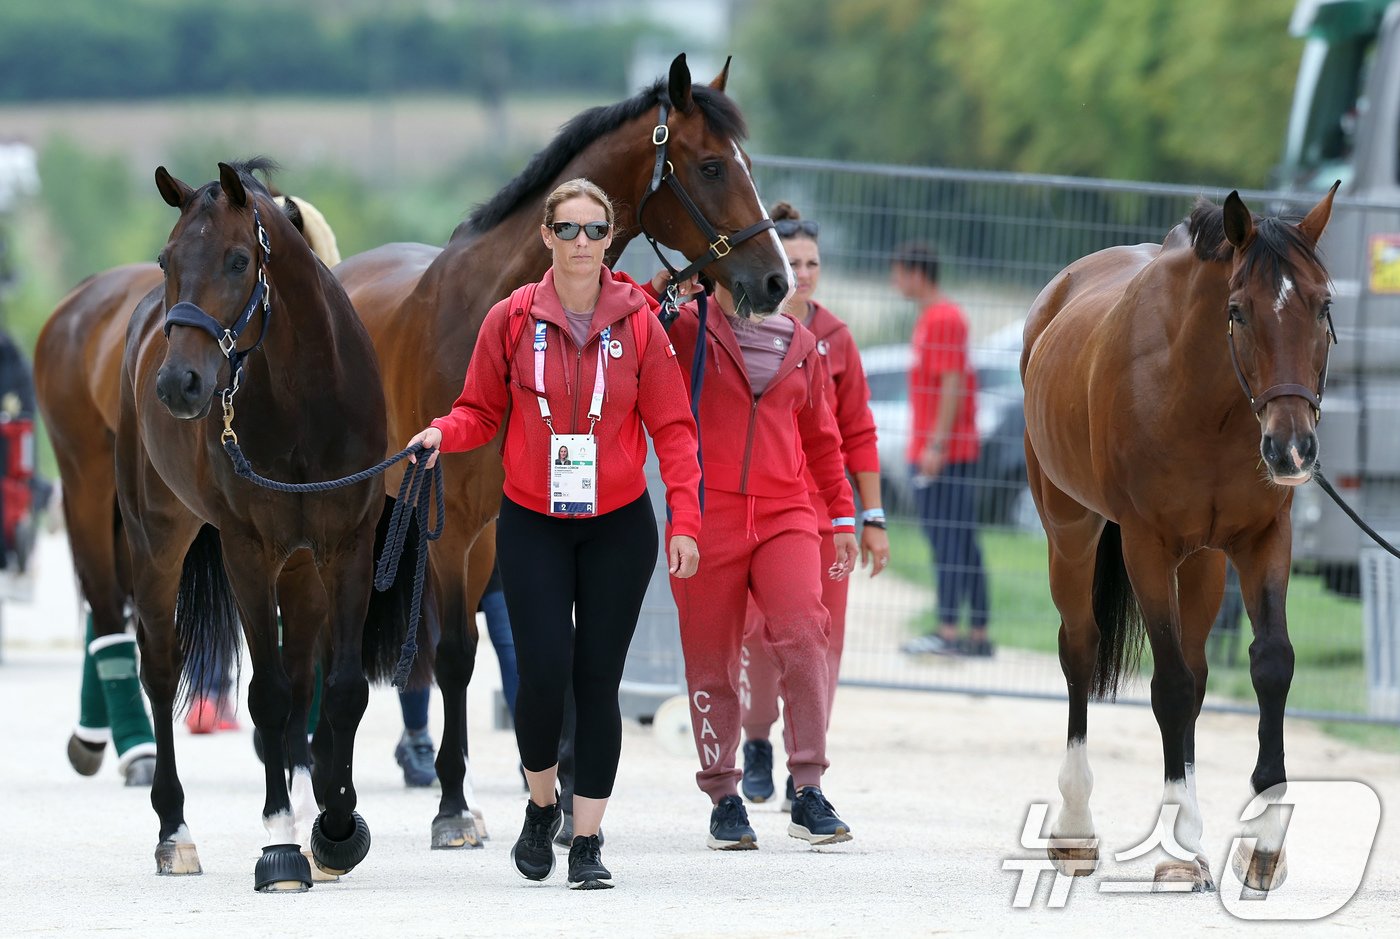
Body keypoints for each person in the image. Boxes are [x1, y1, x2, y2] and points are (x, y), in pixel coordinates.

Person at [406, 178, 702, 890]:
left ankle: (589, 839)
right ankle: (541, 807)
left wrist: (685, 520)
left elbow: (674, 430)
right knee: (542, 678)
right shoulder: (510, 319)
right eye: (566, 230)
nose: (580, 244)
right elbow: (478, 409)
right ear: (546, 235)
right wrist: (441, 434)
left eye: (594, 230)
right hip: (534, 520)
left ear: (610, 238)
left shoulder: (639, 325)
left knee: (597, 684)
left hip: (618, 526)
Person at [649, 268, 858, 851]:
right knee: (711, 656)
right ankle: (723, 795)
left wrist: (843, 514)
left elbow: (823, 437)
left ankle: (808, 786)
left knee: (803, 631)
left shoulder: (803, 343)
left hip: (785, 510)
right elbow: (633, 324)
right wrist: (667, 287)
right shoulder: (688, 327)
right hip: (705, 512)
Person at [737, 204, 890, 809]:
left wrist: (871, 518)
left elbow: (859, 433)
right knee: (756, 636)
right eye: (792, 262)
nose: (802, 273)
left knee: (822, 642)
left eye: (812, 264)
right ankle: (754, 743)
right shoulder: (745, 328)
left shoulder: (836, 338)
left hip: (826, 516)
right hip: (765, 508)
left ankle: (810, 773)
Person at [891, 242, 991, 657]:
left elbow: (952, 382)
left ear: (916, 274)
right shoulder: (931, 318)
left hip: (944, 453)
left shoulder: (944, 317)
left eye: (898, 273)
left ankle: (950, 632)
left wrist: (936, 445)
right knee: (958, 541)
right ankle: (975, 635)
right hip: (938, 448)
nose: (895, 282)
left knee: (949, 542)